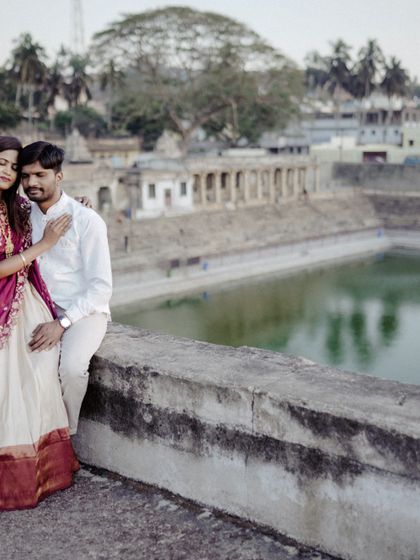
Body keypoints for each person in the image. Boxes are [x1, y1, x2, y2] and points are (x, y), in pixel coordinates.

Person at [0, 136, 79, 511]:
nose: (8, 170)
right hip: (6, 306)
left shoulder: (16, 205)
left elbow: (47, 205)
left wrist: (75, 208)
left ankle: (39, 474)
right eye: (1, 161)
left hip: (26, 302)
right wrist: (44, 245)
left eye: (14, 167)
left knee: (38, 377)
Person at [20, 141, 112, 436]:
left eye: (39, 175)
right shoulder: (22, 215)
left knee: (71, 369)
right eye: (25, 176)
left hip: (84, 310)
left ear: (58, 177)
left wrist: (63, 323)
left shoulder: (87, 220)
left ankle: (65, 438)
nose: (31, 183)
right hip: (39, 306)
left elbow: (101, 288)